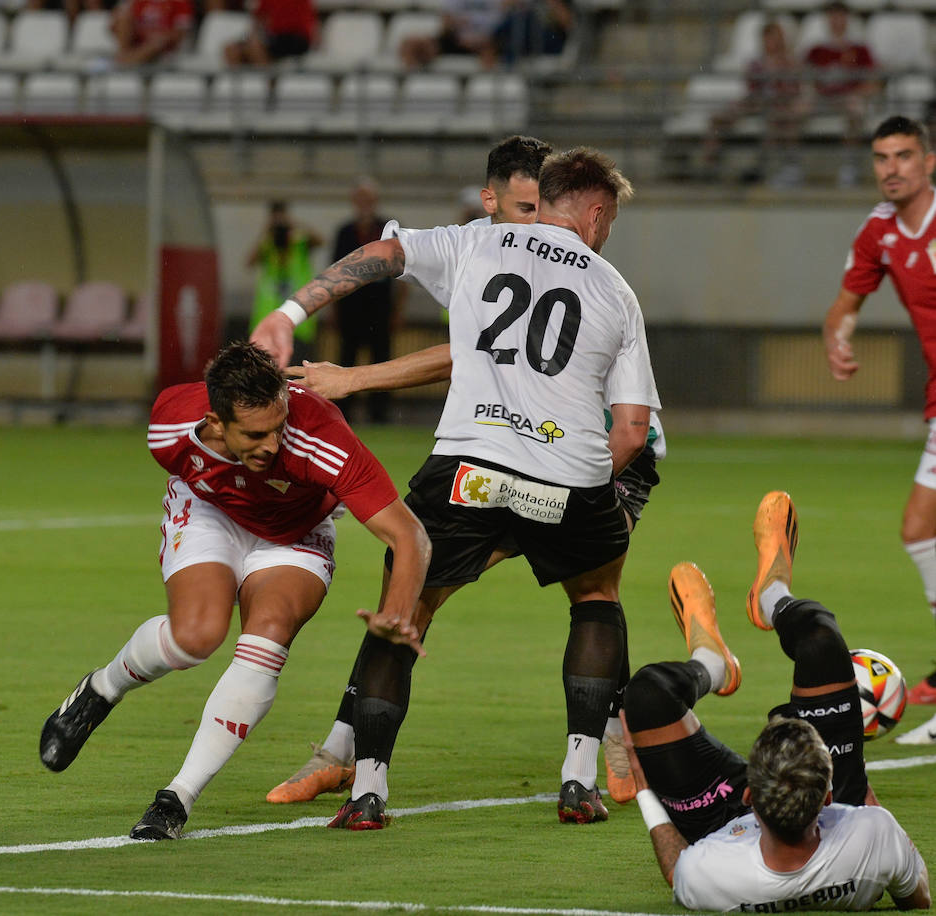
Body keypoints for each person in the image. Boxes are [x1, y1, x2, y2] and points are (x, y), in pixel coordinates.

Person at [251, 147, 659, 828]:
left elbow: (383, 254)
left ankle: (367, 790)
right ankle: (578, 778)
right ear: (593, 213)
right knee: (595, 596)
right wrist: (574, 491)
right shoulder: (614, 289)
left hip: (467, 464)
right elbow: (634, 428)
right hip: (567, 472)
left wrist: (291, 312)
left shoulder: (475, 242)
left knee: (404, 606)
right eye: (609, 220)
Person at [38, 341, 430, 840]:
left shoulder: (319, 435)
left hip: (294, 534)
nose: (272, 444)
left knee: (267, 636)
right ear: (217, 422)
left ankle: (176, 798)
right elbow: (191, 471)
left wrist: (397, 613)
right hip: (212, 513)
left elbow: (409, 534)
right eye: (255, 434)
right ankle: (101, 690)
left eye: (278, 427)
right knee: (195, 638)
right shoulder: (168, 428)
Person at [618, 491, 930, 911]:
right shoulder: (872, 834)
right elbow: (917, 898)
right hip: (841, 801)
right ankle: (772, 596)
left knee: (647, 695)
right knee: (820, 643)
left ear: (748, 793)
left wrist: (644, 787)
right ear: (825, 793)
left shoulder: (711, 869)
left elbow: (678, 871)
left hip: (718, 821)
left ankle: (713, 664)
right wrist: (857, 784)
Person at [823, 116, 936, 745]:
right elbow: (843, 306)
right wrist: (836, 341)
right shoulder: (880, 231)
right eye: (881, 157)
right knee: (922, 530)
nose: (891, 167)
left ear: (929, 161)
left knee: (922, 528)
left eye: (903, 155)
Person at [331, 177, 402, 425]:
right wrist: (334, 310)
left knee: (382, 361)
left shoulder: (389, 230)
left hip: (380, 309)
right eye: (361, 199)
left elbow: (403, 274)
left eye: (368, 199)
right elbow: (334, 274)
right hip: (351, 309)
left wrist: (397, 311)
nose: (364, 204)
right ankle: (342, 413)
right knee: (346, 360)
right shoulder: (345, 232)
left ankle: (379, 413)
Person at [703, 19, 807, 187]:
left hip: (779, 104)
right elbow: (751, 86)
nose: (771, 42)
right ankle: (710, 167)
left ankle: (767, 169)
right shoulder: (756, 63)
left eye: (775, 37)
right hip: (756, 101)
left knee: (777, 119)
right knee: (719, 119)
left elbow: (794, 90)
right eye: (768, 38)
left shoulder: (791, 62)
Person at [803, 1, 877, 187]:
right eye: (833, 17)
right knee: (795, 107)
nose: (837, 21)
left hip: (847, 97)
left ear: (847, 20)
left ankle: (850, 166)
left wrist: (856, 93)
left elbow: (874, 81)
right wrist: (810, 92)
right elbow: (802, 76)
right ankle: (791, 164)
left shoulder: (860, 50)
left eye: (841, 17)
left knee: (855, 108)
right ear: (827, 20)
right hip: (822, 98)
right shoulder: (817, 50)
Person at [248, 200, 323, 364]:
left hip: (298, 324)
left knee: (298, 376)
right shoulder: (267, 246)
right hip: (268, 324)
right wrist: (266, 231)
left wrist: (293, 224)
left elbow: (320, 240)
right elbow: (249, 262)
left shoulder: (299, 243)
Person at [398, 0, 500, 71]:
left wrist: (479, 38)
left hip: (488, 40)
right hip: (456, 38)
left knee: (491, 49)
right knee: (412, 43)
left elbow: (501, 20)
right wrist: (461, 37)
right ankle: (406, 84)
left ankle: (483, 88)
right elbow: (447, 22)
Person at [222, 0, 317, 67]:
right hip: (274, 38)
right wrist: (248, 40)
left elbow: (311, 24)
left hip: (296, 38)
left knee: (256, 49)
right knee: (231, 49)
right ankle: (237, 88)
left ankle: (267, 86)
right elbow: (258, 20)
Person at [112, 0, 194, 66]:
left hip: (163, 45)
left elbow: (181, 33)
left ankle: (123, 63)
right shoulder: (137, 2)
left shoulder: (180, 2)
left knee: (157, 41)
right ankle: (125, 57)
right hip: (139, 40)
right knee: (123, 18)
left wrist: (159, 36)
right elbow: (113, 27)